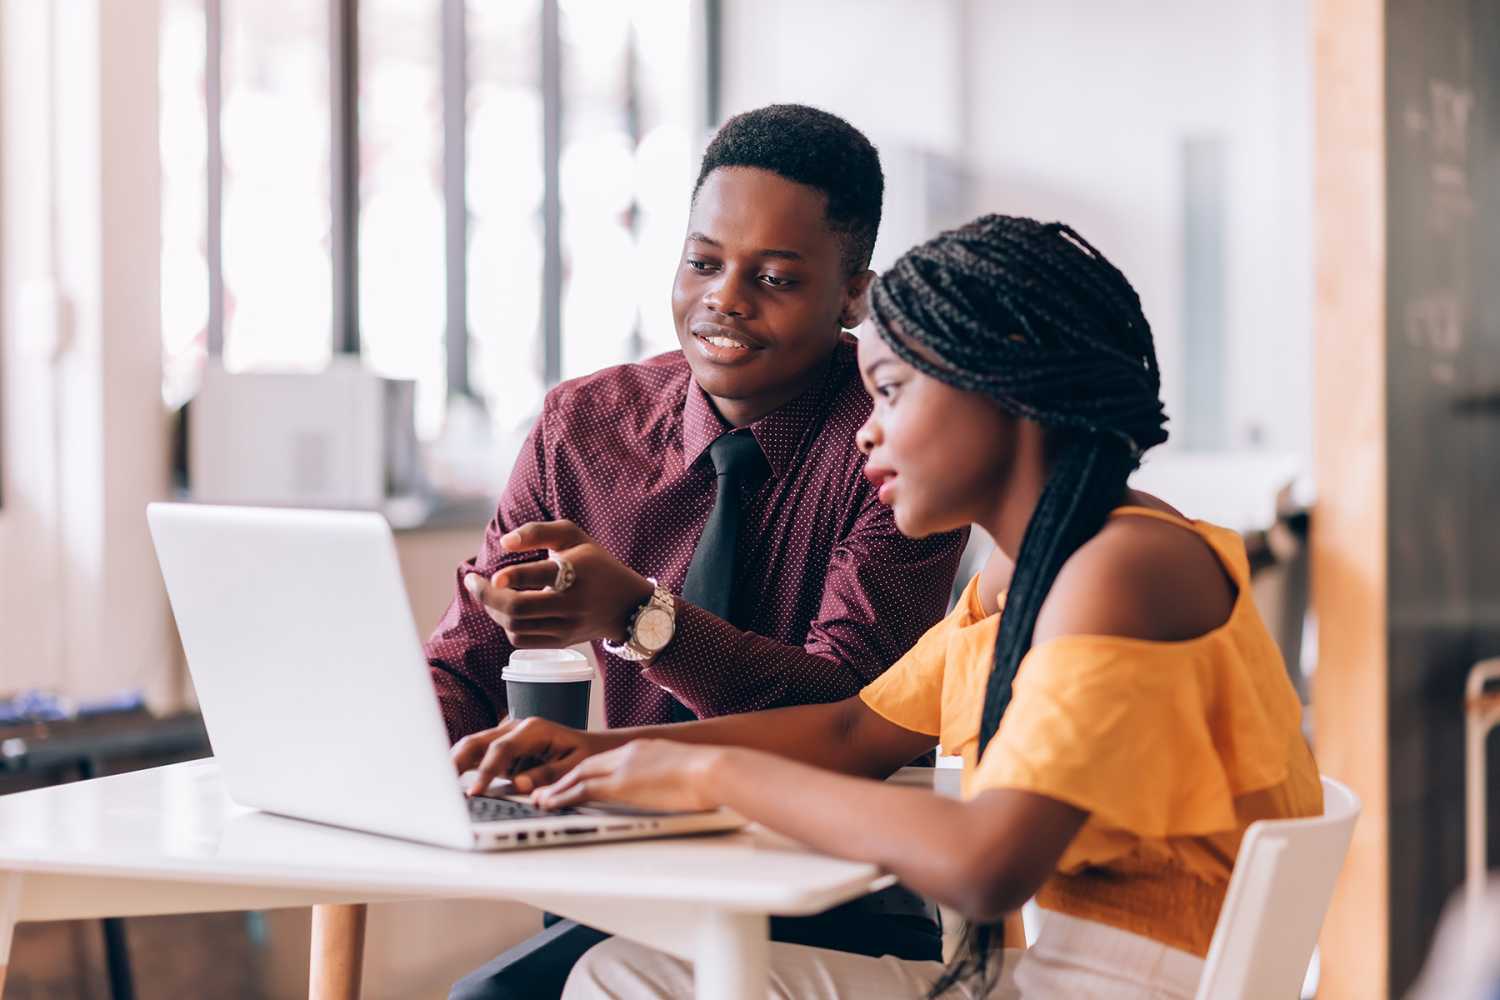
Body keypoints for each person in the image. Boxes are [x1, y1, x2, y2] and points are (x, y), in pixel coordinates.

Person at [454, 214, 1325, 999]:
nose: (866, 428)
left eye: (894, 392)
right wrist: (597, 754)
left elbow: (984, 865)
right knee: (623, 972)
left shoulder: (1123, 566)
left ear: (1003, 384)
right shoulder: (1020, 579)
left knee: (624, 983)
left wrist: (703, 773)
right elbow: (851, 733)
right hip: (1051, 982)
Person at [431, 104, 967, 1000]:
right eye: (704, 262)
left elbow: (850, 713)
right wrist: (411, 763)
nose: (725, 298)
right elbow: (465, 661)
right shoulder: (584, 430)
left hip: (835, 890)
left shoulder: (900, 447)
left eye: (776, 278)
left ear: (851, 295)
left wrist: (641, 619)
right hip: (626, 877)